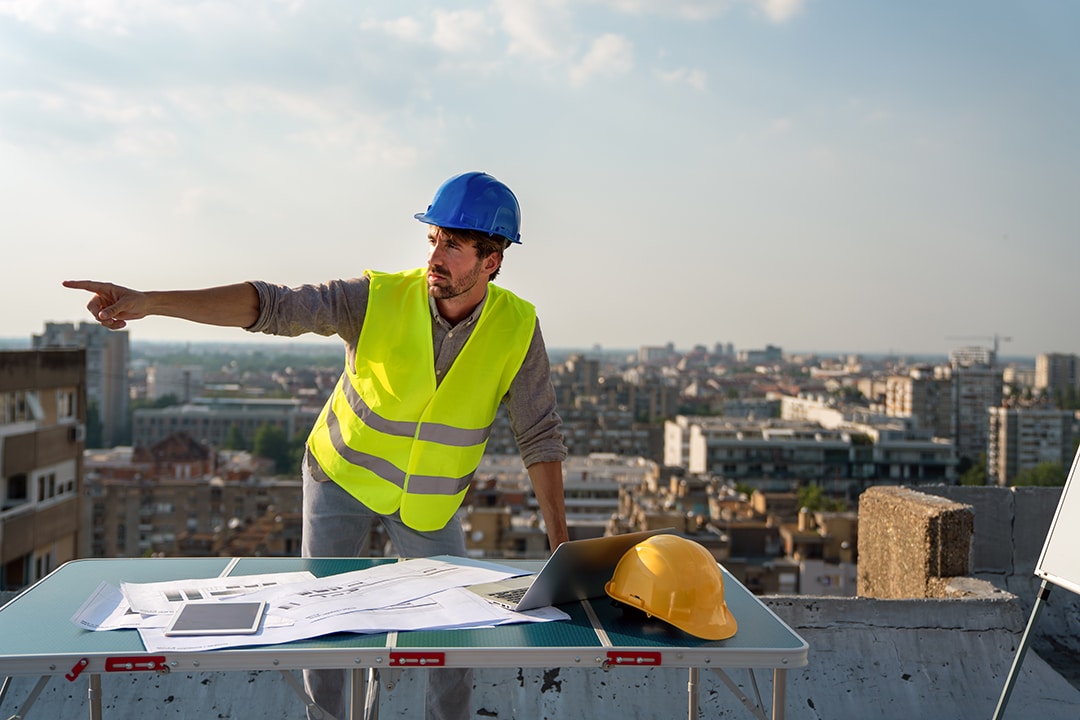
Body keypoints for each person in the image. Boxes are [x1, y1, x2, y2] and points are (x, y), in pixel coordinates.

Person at [64, 171, 570, 720]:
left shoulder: (517, 327)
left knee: (453, 635)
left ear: (490, 260)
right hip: (340, 479)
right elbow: (273, 306)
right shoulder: (375, 298)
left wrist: (560, 549)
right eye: (433, 240)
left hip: (428, 504)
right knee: (323, 622)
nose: (435, 255)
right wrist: (151, 302)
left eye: (452, 243)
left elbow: (538, 433)